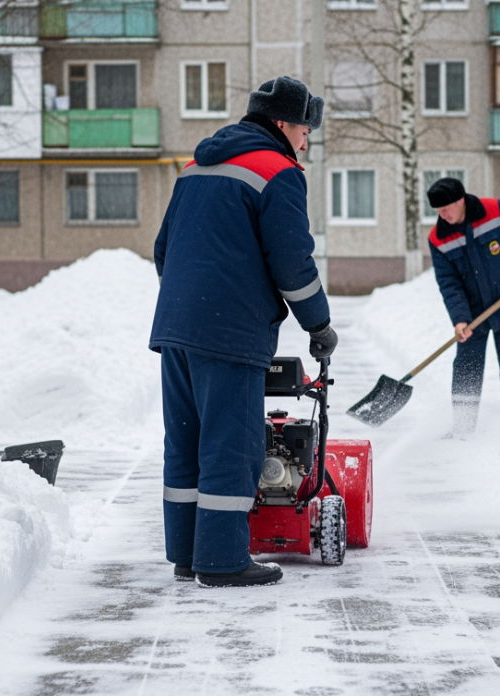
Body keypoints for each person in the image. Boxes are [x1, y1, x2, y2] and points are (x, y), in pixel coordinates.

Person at [149, 76, 337, 588]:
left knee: (185, 441)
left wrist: (194, 300)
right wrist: (318, 325)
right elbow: (293, 264)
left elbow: (163, 250)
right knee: (233, 445)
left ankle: (187, 554)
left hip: (176, 325)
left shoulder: (197, 166)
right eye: (305, 130)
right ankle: (222, 560)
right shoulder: (277, 171)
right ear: (282, 124)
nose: (306, 141)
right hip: (229, 332)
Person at [426, 177, 500, 436]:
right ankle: (463, 427)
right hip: (471, 314)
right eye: (438, 212)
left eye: (446, 209)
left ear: (460, 201)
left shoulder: (495, 210)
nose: (443, 216)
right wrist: (459, 319)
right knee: (466, 369)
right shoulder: (438, 238)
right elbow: (449, 283)